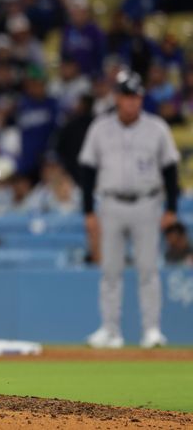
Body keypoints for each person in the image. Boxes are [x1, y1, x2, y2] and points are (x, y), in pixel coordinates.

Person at [79, 70, 180, 349]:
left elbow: (171, 170)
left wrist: (171, 208)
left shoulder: (157, 127)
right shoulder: (100, 127)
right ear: (117, 98)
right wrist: (88, 212)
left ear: (141, 99)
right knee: (110, 271)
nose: (131, 102)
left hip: (147, 202)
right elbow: (87, 170)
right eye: (126, 96)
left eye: (135, 96)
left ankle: (152, 330)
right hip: (110, 203)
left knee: (148, 269)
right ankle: (110, 330)